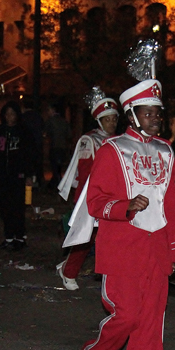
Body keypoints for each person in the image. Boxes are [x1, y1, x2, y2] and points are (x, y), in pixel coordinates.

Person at [76, 78, 175, 350]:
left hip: (156, 251)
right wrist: (124, 207)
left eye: (157, 114)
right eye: (147, 113)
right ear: (132, 114)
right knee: (128, 316)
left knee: (151, 325)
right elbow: (95, 202)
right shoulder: (113, 149)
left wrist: (172, 252)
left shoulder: (166, 151)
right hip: (123, 250)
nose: (154, 119)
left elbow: (171, 206)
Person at [56, 87, 119, 290]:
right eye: (107, 119)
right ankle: (69, 271)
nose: (112, 123)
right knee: (85, 237)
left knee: (110, 238)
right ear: (99, 120)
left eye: (114, 119)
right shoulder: (89, 140)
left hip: (112, 197)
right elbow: (85, 174)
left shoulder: (118, 141)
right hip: (90, 197)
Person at [0, 101, 35, 251]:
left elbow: (30, 154)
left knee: (18, 207)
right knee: (4, 207)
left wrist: (29, 174)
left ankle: (20, 237)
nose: (9, 117)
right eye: (7, 114)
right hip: (2, 175)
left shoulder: (23, 132)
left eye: (12, 114)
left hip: (18, 175)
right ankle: (8, 237)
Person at [45, 101, 72, 189]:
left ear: (53, 110)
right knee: (58, 167)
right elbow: (69, 134)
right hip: (62, 146)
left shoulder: (50, 121)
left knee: (55, 167)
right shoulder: (63, 121)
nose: (47, 112)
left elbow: (46, 132)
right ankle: (56, 183)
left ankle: (57, 184)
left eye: (48, 110)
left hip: (54, 146)